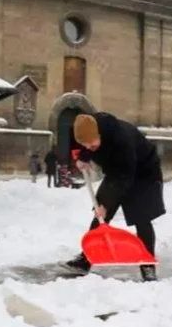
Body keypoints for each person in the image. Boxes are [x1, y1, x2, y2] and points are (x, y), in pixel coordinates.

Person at [64, 112, 165, 282]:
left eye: (92, 144)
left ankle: (147, 265)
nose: (90, 147)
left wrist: (107, 203)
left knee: (141, 217)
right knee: (100, 214)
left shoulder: (121, 139)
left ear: (100, 134)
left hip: (143, 172)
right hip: (116, 171)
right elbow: (86, 145)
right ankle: (86, 259)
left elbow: (125, 175)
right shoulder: (87, 128)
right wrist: (83, 157)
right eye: (85, 145)